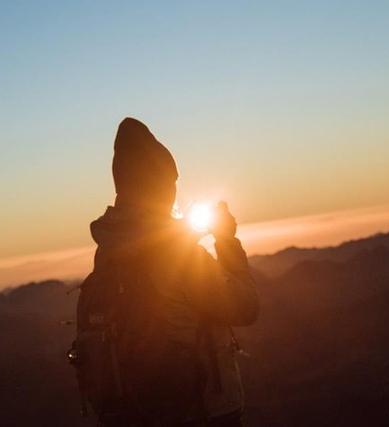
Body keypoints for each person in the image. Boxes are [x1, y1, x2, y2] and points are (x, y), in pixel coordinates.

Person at [72, 117, 259, 426]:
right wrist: (227, 241)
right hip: (196, 415)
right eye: (170, 184)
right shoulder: (179, 256)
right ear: (160, 188)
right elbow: (246, 306)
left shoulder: (108, 253)